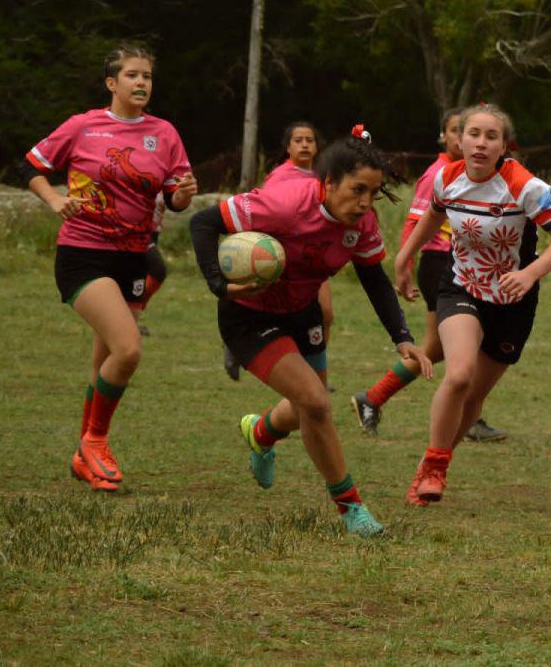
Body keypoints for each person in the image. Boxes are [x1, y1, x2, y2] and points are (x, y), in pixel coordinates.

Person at [189, 135, 431, 537]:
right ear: (329, 182)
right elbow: (204, 223)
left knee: (307, 411)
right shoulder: (285, 204)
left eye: (374, 192)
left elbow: (374, 278)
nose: (366, 203)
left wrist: (401, 335)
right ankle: (351, 507)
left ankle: (261, 432)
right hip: (250, 317)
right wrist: (219, 283)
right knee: (317, 405)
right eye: (358, 190)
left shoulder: (362, 222)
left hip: (303, 314)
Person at [21, 44, 197, 492]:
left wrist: (185, 195)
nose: (141, 83)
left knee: (104, 361)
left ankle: (84, 454)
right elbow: (33, 166)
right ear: (111, 83)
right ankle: (96, 441)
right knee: (129, 349)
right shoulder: (84, 126)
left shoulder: (165, 133)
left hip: (133, 257)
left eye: (148, 76)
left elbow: (175, 197)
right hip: (83, 252)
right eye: (132, 75)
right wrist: (55, 198)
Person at [394, 103, 551, 505]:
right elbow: (433, 215)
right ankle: (436, 468)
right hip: (461, 287)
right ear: (458, 140)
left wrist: (530, 274)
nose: (480, 142)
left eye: (490, 136)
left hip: (513, 301)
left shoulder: (525, 187)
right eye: (472, 133)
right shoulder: (447, 177)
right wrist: (404, 256)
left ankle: (433, 463)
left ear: (503, 146)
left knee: (475, 393)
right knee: (458, 374)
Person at [352, 108, 507, 441]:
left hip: (462, 263)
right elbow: (416, 220)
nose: (461, 138)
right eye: (456, 131)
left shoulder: (473, 173)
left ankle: (374, 397)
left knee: (437, 348)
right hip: (440, 262)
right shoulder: (439, 173)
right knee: (461, 344)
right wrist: (405, 264)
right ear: (448, 136)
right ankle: (467, 413)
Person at [222, 121, 332, 381]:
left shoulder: (322, 175)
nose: (304, 144)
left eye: (309, 140)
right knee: (276, 311)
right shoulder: (280, 176)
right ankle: (236, 345)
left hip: (312, 257)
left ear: (317, 146)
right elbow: (266, 217)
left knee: (325, 313)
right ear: (288, 147)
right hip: (283, 258)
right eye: (298, 140)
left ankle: (315, 376)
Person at [134, 192, 169, 336]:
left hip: (153, 233)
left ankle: (130, 320)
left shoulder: (168, 175)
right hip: (137, 232)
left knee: (137, 277)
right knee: (158, 270)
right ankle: (125, 317)